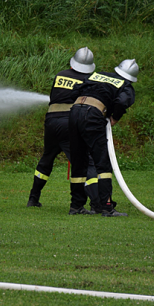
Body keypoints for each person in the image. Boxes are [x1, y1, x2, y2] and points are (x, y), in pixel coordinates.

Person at [27, 47, 98, 215]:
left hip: (51, 121)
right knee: (85, 163)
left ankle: (33, 198)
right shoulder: (88, 79)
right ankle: (96, 203)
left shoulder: (61, 75)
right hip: (69, 123)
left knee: (47, 159)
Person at [69, 59, 138, 217]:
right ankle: (106, 207)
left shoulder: (97, 75)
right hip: (92, 116)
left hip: (74, 113)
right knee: (103, 164)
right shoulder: (125, 85)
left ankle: (76, 206)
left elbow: (74, 91)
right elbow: (121, 102)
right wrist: (115, 117)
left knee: (79, 162)